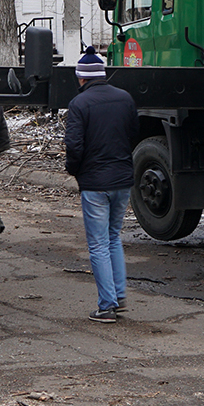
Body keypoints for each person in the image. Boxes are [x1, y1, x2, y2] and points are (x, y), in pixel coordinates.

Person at [64, 47, 138, 323]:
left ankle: (106, 306)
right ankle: (118, 297)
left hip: (95, 183)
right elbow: (133, 134)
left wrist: (75, 171)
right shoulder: (125, 99)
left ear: (81, 78)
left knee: (97, 245)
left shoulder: (79, 105)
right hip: (122, 180)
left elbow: (74, 146)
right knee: (113, 238)